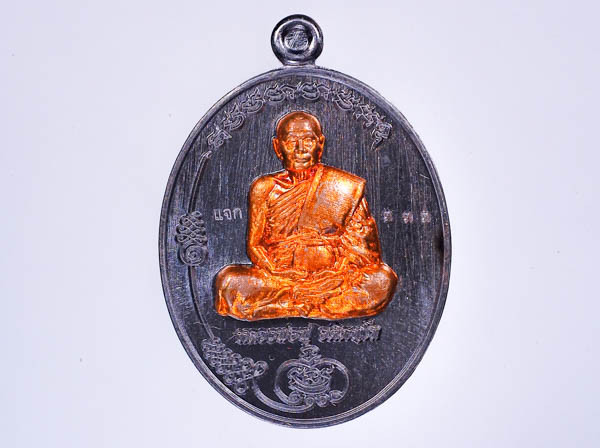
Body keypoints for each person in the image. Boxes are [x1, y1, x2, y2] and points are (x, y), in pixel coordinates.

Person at [215, 111, 397, 321]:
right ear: (277, 147)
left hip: (332, 277)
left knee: (382, 280)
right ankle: (315, 304)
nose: (300, 149)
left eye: (308, 141)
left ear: (320, 144)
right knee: (228, 282)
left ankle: (288, 305)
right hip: (280, 278)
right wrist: (276, 271)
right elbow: (254, 246)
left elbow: (367, 254)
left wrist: (336, 271)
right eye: (291, 142)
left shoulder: (344, 188)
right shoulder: (264, 188)